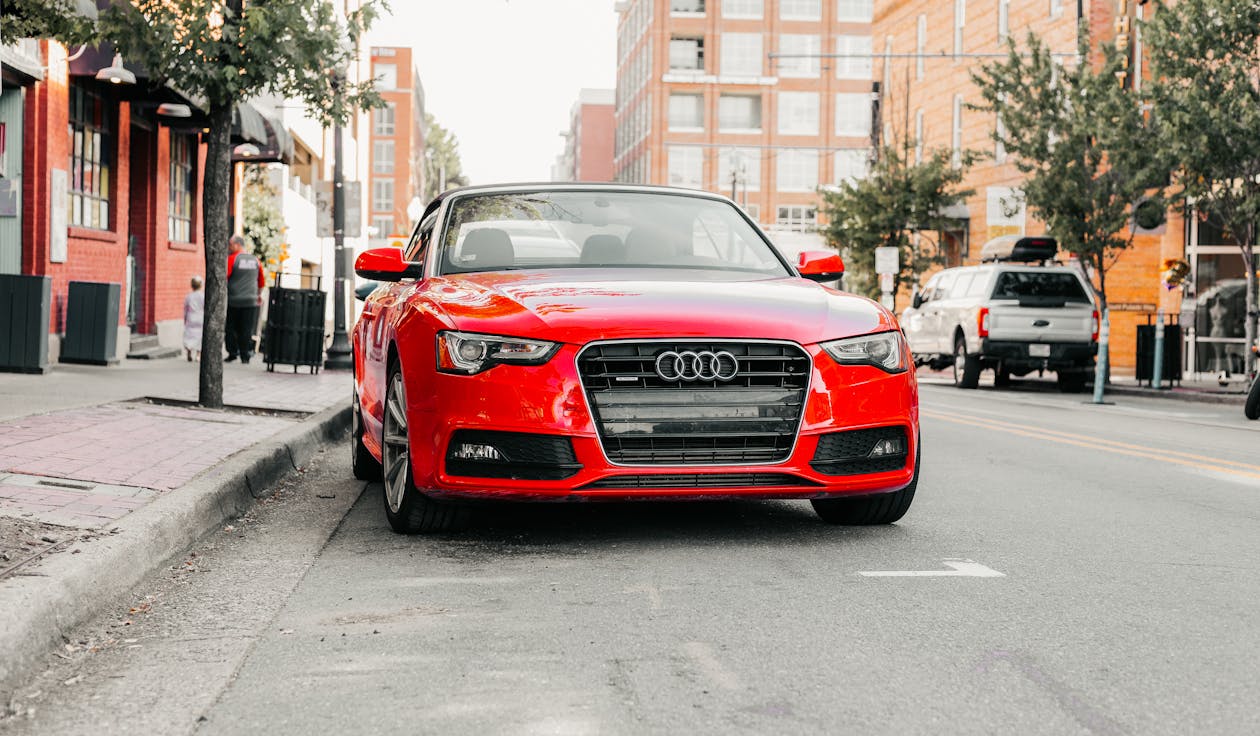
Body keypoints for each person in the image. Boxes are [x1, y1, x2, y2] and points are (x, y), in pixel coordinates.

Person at [225, 234, 265, 364]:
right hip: (250, 301)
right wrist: (258, 295)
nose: (229, 247)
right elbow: (261, 281)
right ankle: (245, 355)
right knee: (246, 329)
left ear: (237, 245)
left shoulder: (232, 259)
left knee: (231, 328)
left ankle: (232, 353)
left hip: (234, 300)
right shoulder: (255, 260)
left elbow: (225, 276)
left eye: (230, 245)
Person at [183, 275, 204, 362]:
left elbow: (185, 309)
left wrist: (185, 319)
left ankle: (189, 352)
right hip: (200, 317)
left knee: (189, 335)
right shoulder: (203, 296)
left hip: (191, 317)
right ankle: (198, 355)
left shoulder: (189, 296)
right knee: (200, 336)